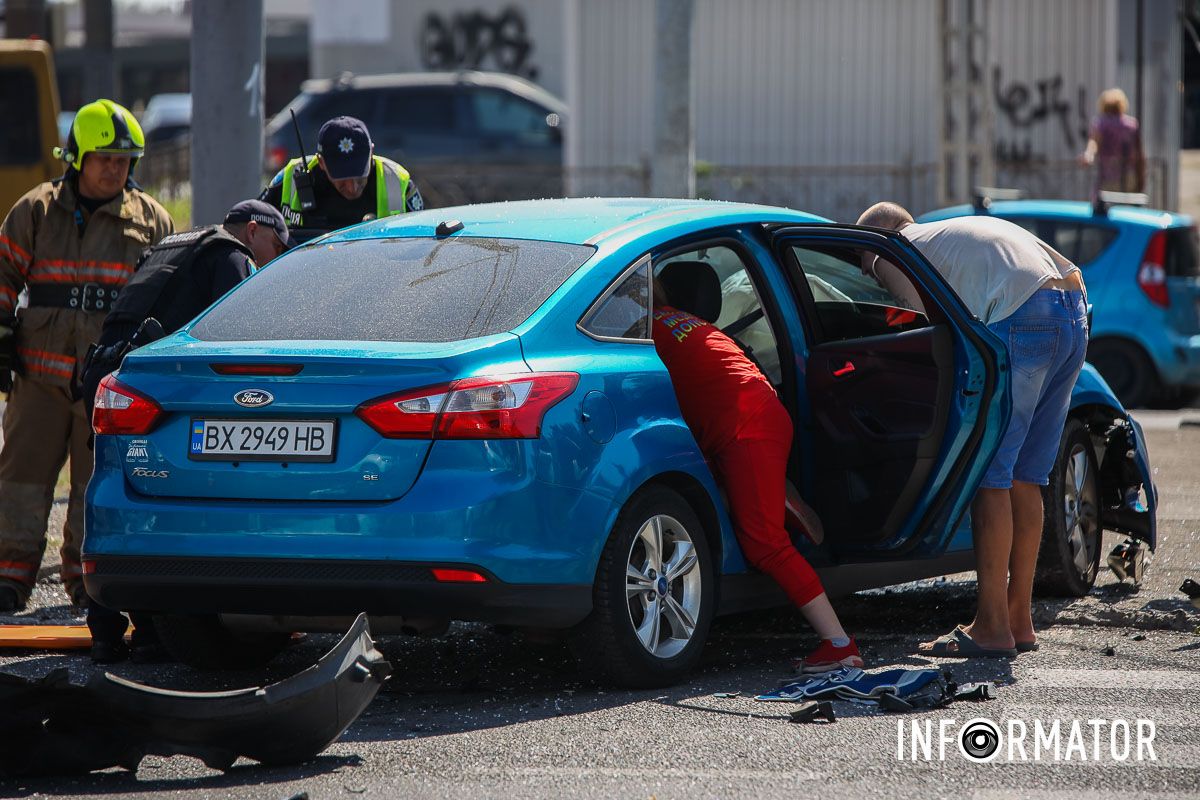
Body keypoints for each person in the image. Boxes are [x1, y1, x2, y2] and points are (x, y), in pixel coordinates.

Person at [857, 202, 1089, 658]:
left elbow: (927, 328)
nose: (874, 277)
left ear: (879, 239)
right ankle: (1019, 620)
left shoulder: (893, 250)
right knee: (1028, 477)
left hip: (1024, 316)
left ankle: (991, 627)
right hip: (1073, 311)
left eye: (867, 271)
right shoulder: (953, 233)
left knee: (990, 476)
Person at [79, 199, 293, 663]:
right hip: (157, 387)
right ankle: (147, 631)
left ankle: (111, 635)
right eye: (276, 246)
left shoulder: (174, 246)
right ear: (254, 230)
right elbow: (249, 337)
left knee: (132, 504)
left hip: (117, 380)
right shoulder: (232, 256)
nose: (273, 261)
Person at [0, 99, 173, 613]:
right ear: (77, 157)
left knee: (93, 486)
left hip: (107, 385)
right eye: (104, 158)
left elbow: (171, 299)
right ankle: (8, 577)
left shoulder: (153, 222)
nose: (115, 168)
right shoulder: (36, 211)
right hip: (39, 378)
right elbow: (3, 277)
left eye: (124, 160)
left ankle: (87, 587)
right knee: (21, 480)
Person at [651, 271, 863, 673]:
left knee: (765, 544)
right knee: (729, 498)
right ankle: (772, 497)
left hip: (745, 431)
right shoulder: (680, 320)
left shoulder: (642, 338)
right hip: (758, 413)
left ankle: (839, 645)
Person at [260, 116, 423, 231]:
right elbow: (251, 226)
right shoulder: (290, 177)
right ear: (321, 162)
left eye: (360, 176)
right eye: (342, 179)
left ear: (371, 153)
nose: (352, 188)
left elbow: (422, 241)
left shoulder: (397, 181)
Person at [1079, 87, 1145, 197]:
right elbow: (1140, 155)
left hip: (1108, 177)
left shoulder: (1101, 123)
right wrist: (1141, 178)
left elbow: (1094, 142)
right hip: (1128, 176)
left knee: (1104, 209)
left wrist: (1088, 154)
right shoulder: (1131, 125)